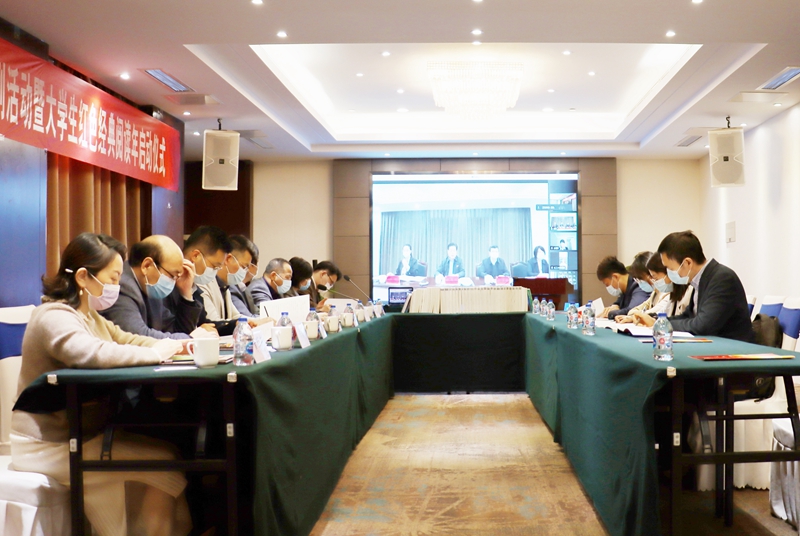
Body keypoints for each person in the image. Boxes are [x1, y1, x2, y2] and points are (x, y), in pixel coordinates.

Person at [11, 232, 191, 536]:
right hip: (49, 445)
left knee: (167, 453)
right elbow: (91, 353)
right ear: (83, 276)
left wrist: (179, 347)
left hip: (84, 435)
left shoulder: (90, 316)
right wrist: (154, 353)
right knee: (164, 462)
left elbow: (126, 339)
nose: (116, 286)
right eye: (113, 277)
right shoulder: (52, 315)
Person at [657, 230, 754, 342]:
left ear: (688, 263)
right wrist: (658, 321)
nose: (669, 273)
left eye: (670, 268)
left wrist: (663, 324)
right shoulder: (701, 279)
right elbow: (688, 316)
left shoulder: (722, 278)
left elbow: (703, 326)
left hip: (732, 347)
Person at [101, 234, 204, 339]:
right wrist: (189, 339)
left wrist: (186, 292)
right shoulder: (122, 287)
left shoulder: (149, 287)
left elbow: (176, 329)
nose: (174, 281)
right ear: (147, 266)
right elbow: (138, 336)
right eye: (172, 275)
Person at [196, 232, 256, 332]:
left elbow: (236, 316)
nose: (245, 272)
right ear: (228, 259)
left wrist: (258, 321)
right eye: (243, 267)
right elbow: (213, 323)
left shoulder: (224, 285)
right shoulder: (203, 281)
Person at [629, 251, 694, 327]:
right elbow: (662, 314)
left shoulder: (689, 291)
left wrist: (652, 320)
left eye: (655, 278)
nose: (653, 281)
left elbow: (685, 321)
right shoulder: (672, 294)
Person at [613, 252, 670, 323]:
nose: (639, 282)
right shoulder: (655, 292)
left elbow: (654, 313)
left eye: (653, 276)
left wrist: (634, 316)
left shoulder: (667, 293)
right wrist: (633, 316)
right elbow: (632, 311)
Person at [596, 255, 649, 319]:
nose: (608, 287)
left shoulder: (638, 285)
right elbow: (617, 304)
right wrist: (614, 306)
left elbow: (632, 311)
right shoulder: (624, 290)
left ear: (615, 277)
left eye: (607, 284)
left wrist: (611, 313)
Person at [228, 235, 260, 317]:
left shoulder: (243, 287)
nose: (246, 269)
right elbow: (244, 317)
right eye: (244, 266)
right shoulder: (230, 287)